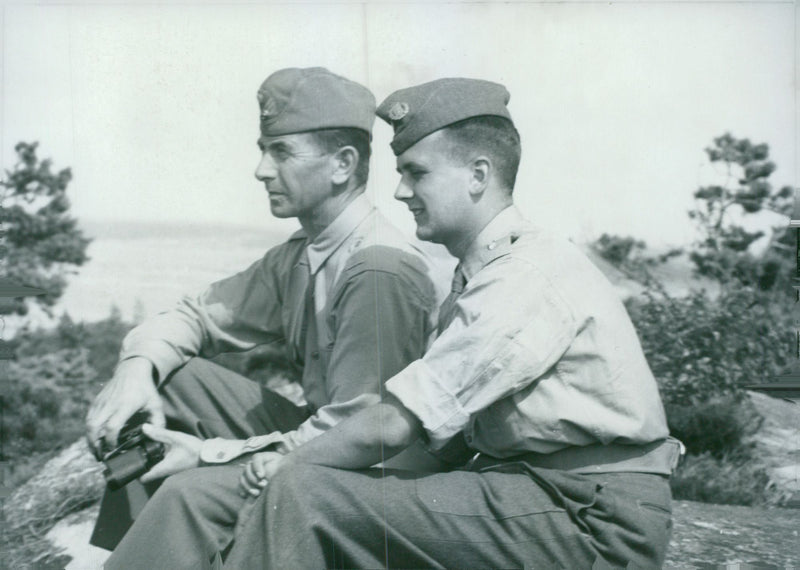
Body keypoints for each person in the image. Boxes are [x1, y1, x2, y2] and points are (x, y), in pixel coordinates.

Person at [226, 77, 682, 569]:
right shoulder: (483, 274)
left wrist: (291, 462)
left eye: (417, 173)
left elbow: (396, 424)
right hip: (542, 499)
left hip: (590, 517)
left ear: (477, 175)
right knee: (334, 490)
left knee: (302, 490)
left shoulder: (524, 275)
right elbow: (440, 447)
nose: (401, 192)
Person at [86, 67, 443, 567]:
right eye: (263, 149)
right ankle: (138, 551)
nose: (261, 170)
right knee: (173, 377)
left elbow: (364, 429)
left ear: (343, 164)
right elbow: (196, 314)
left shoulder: (377, 268)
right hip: (334, 438)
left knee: (192, 491)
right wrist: (134, 370)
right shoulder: (303, 253)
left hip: (382, 474)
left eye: (281, 152)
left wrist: (213, 456)